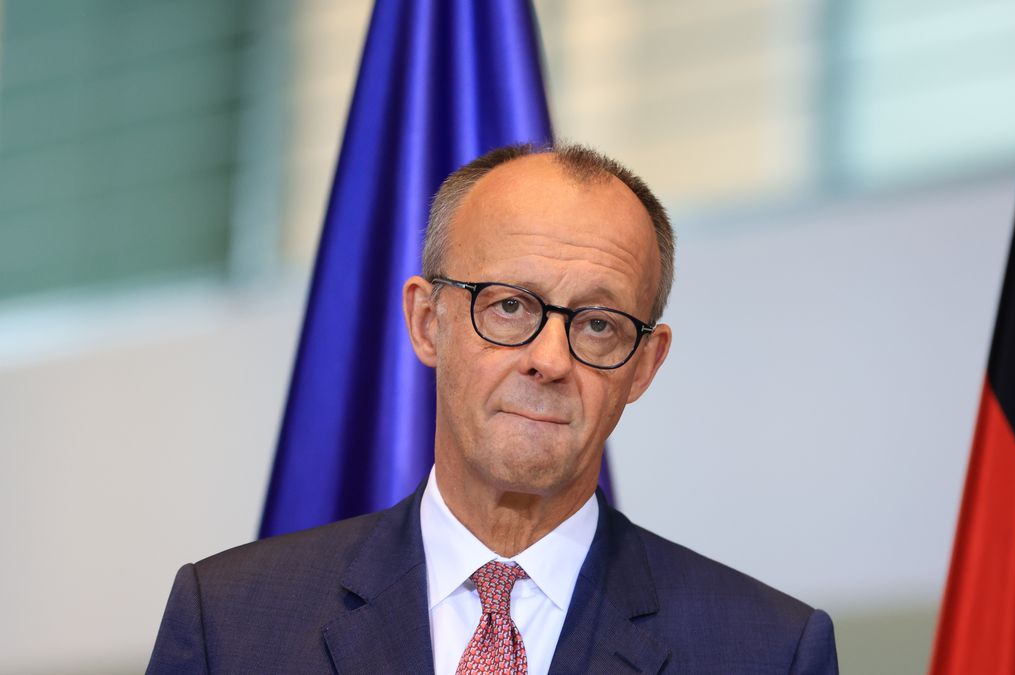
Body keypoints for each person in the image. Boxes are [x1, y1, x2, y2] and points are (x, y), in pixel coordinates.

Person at [148, 143, 839, 674]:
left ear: (644, 364)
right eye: (510, 305)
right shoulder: (230, 624)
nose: (550, 358)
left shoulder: (767, 652)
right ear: (426, 321)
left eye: (598, 323)